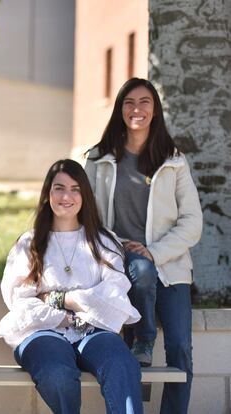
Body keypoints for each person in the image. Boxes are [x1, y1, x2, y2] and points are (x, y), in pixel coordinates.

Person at [84, 77, 203, 413]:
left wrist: (155, 252)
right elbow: (86, 215)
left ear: (155, 109)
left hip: (171, 268)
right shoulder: (100, 159)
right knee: (126, 352)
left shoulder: (174, 160)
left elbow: (193, 222)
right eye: (129, 102)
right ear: (120, 109)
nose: (137, 109)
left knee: (180, 350)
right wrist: (116, 248)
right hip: (122, 269)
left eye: (145, 102)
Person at [0, 159, 143, 414]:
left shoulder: (103, 242)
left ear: (85, 195)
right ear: (47, 194)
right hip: (42, 332)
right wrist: (67, 315)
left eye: (76, 189)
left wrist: (61, 300)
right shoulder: (29, 244)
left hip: (93, 332)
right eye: (59, 188)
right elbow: (20, 300)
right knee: (57, 372)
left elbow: (113, 293)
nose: (67, 196)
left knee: (122, 363)